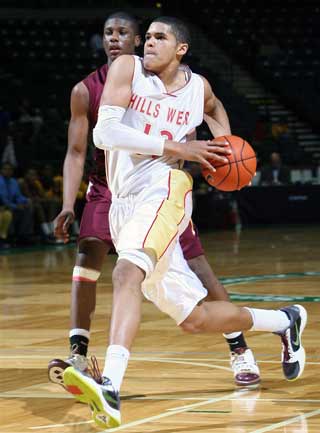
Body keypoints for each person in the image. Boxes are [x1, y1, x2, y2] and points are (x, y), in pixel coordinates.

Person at [62, 17, 307, 429]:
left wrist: (225, 148)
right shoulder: (128, 69)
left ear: (181, 49)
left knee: (125, 274)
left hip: (166, 189)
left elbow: (212, 108)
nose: (150, 43)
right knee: (194, 319)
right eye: (150, 36)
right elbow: (105, 135)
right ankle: (286, 321)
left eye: (161, 38)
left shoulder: (199, 87)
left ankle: (111, 387)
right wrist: (180, 145)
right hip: (124, 201)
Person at [48, 12, 261, 392]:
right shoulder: (87, 89)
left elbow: (210, 106)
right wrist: (68, 203)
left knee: (194, 265)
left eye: (124, 33)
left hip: (158, 185)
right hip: (107, 186)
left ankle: (238, 347)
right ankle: (78, 353)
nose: (116, 39)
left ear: (136, 40)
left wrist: (226, 149)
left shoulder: (164, 78)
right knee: (88, 257)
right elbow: (78, 150)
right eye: (108, 33)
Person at [0, 162, 34, 244]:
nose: (8, 171)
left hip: (12, 205)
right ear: (1, 170)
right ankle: (8, 238)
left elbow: (18, 196)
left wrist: (26, 201)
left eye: (10, 169)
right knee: (9, 211)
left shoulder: (14, 181)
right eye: (5, 169)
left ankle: (23, 236)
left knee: (27, 208)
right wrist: (16, 206)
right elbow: (3, 199)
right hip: (3, 206)